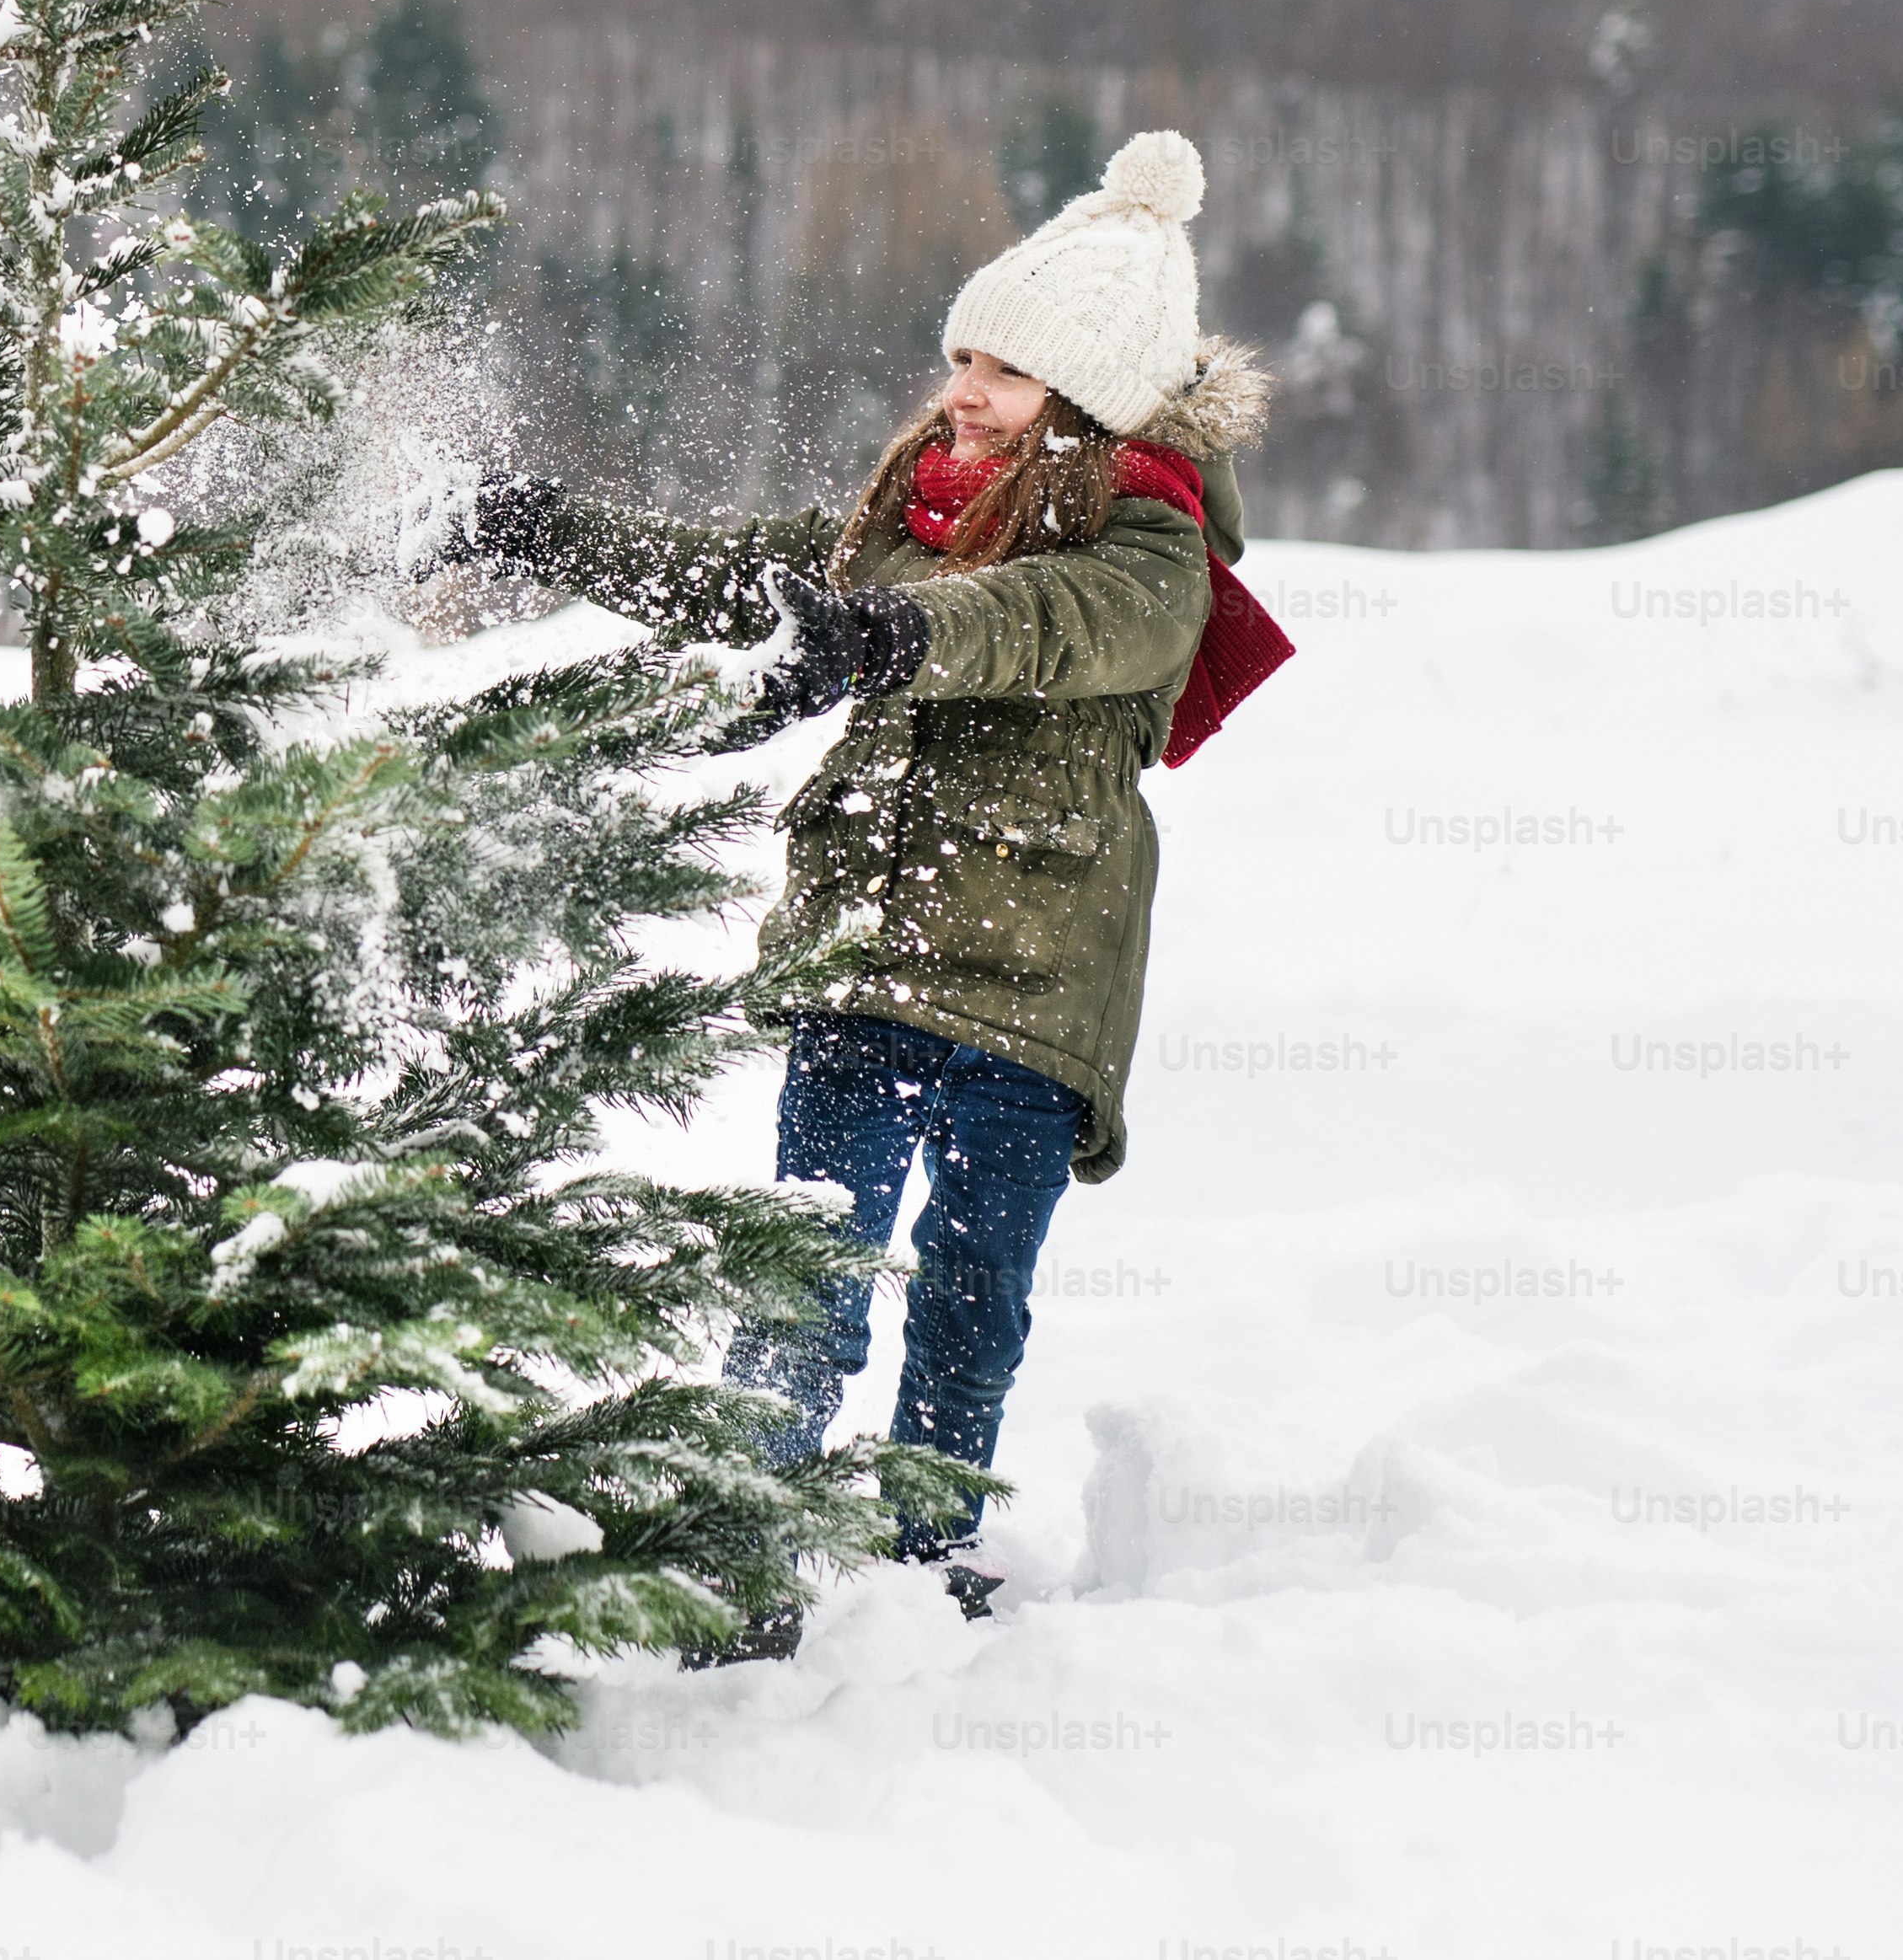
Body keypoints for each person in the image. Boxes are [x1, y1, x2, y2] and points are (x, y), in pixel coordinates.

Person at [443, 129, 1285, 1631]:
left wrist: (900, 639)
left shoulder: (1150, 547)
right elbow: (729, 575)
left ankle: (922, 1565)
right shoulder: (903, 525)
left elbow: (1062, 619)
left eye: (1004, 371)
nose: (961, 389)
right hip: (862, 968)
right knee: (803, 1274)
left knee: (968, 1299)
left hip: (1030, 1000)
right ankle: (743, 1542)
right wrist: (548, 534)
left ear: (1084, 403)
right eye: (961, 355)